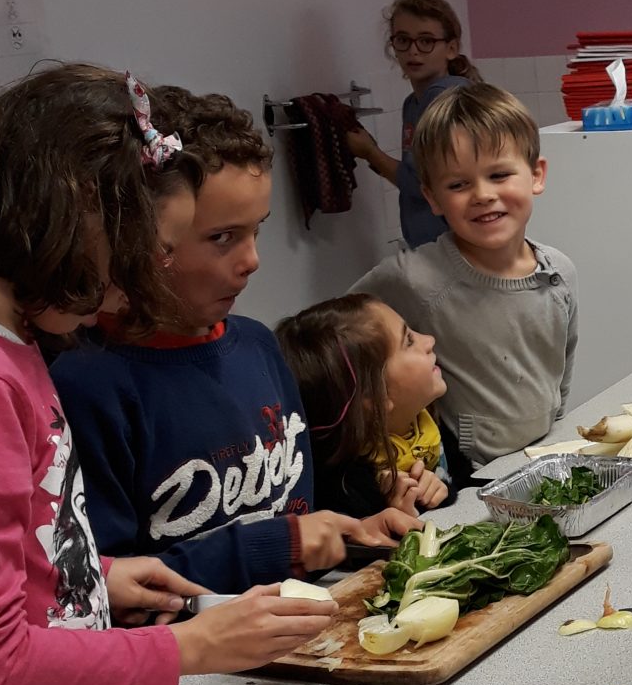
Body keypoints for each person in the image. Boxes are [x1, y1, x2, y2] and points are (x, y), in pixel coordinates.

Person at [0, 67, 336, 685]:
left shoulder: (7, 339)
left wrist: (93, 576)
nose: (137, 293)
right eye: (141, 257)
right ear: (78, 218)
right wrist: (193, 649)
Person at [53, 88, 417, 593]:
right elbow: (104, 586)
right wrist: (278, 545)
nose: (252, 261)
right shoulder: (88, 385)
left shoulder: (258, 347)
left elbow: (293, 515)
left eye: (256, 231)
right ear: (140, 235)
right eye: (221, 237)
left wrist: (352, 530)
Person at [353, 81, 577, 464]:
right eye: (458, 184)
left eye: (499, 175)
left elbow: (562, 375)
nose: (483, 195)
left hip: (542, 460)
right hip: (467, 477)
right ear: (432, 198)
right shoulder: (414, 278)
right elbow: (329, 337)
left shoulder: (560, 271)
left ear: (536, 175)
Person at [276, 295, 472, 517]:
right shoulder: (345, 489)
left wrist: (444, 493)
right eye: (409, 341)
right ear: (374, 395)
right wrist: (401, 513)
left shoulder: (422, 421)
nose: (429, 340)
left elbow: (466, 485)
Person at [345, 0, 478, 247]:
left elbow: (421, 184)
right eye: (403, 40)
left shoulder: (445, 98)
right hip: (433, 243)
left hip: (454, 244)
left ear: (451, 48)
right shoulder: (413, 103)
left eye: (426, 41)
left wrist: (370, 152)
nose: (413, 51)